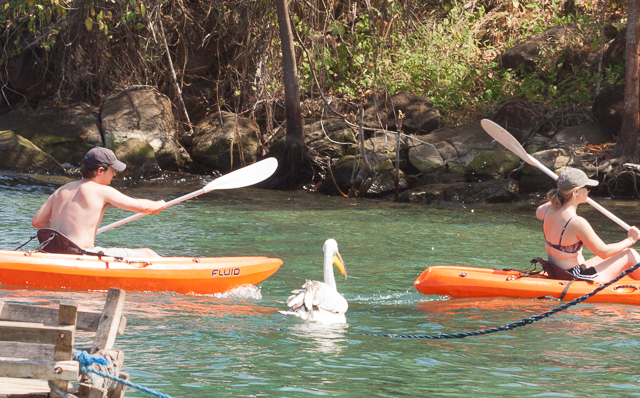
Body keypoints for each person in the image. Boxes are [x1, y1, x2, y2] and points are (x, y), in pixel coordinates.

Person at [32, 147, 166, 258]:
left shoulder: (62, 189)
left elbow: (37, 222)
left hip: (54, 253)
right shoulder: (101, 190)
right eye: (113, 170)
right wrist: (158, 204)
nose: (114, 174)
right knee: (148, 254)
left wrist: (64, 235)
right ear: (100, 171)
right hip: (82, 253)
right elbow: (142, 207)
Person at [536, 168, 640, 282]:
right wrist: (631, 239)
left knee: (619, 251)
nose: (589, 191)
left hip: (558, 272)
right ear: (576, 191)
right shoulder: (576, 222)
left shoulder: (545, 210)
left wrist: (560, 196)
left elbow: (539, 212)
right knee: (629, 253)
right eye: (587, 188)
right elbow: (604, 252)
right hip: (575, 277)